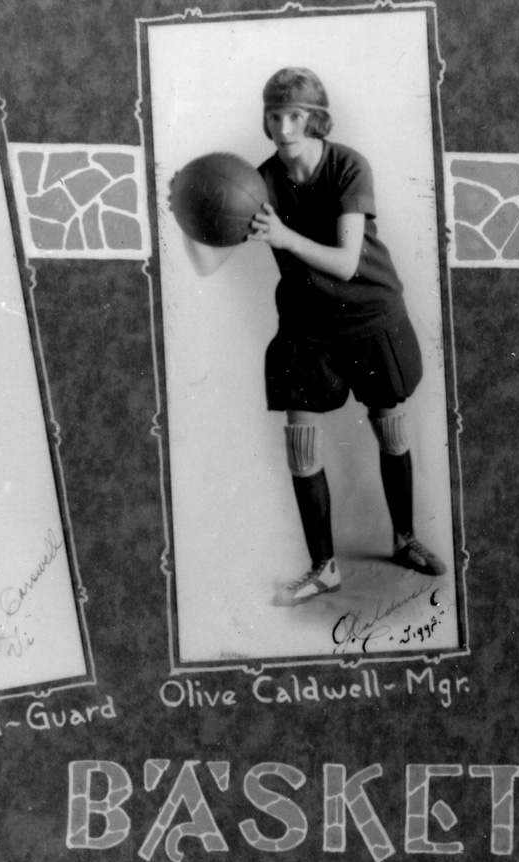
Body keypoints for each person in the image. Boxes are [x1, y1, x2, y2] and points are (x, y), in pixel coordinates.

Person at [197, 67, 445, 604]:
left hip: (370, 313)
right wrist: (190, 208)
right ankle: (323, 567)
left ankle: (404, 539)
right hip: (308, 326)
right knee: (301, 441)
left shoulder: (348, 166)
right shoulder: (256, 183)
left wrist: (284, 235)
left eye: (295, 116)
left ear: (316, 119)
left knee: (391, 428)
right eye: (274, 115)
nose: (284, 127)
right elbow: (207, 263)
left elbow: (349, 261)